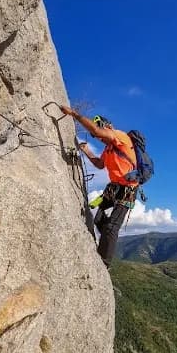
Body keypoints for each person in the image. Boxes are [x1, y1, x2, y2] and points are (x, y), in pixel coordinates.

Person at [60, 105, 137, 268]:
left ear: (108, 127)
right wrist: (87, 151)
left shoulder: (119, 136)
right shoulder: (108, 149)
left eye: (101, 133)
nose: (100, 138)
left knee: (111, 227)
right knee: (99, 219)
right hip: (113, 188)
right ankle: (107, 242)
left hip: (127, 190)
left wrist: (74, 114)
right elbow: (100, 164)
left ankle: (104, 264)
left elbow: (96, 130)